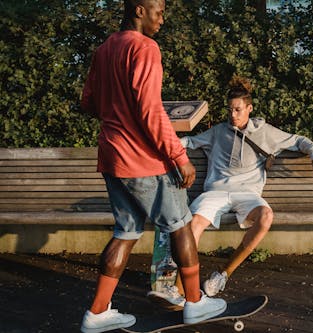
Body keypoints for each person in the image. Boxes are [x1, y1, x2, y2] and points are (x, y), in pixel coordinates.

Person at [79, 1, 226, 332]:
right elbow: (150, 110)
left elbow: (88, 102)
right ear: (139, 10)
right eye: (158, 10)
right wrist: (179, 156)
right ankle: (195, 304)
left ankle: (98, 313)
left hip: (113, 158)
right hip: (144, 160)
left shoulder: (104, 50)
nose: (162, 18)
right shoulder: (144, 47)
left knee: (126, 231)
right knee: (180, 225)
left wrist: (118, 116)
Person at [150, 75, 313, 305]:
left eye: (238, 110)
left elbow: (298, 140)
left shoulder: (265, 132)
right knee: (192, 225)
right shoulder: (217, 132)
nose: (233, 115)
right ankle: (178, 290)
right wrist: (168, 147)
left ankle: (223, 274)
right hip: (214, 192)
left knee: (266, 217)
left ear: (249, 108)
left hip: (248, 195)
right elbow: (190, 142)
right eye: (230, 110)